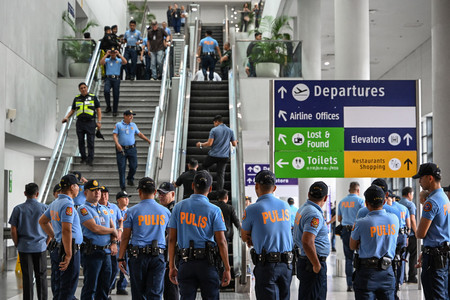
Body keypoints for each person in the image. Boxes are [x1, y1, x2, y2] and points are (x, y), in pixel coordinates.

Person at [168, 170, 231, 299]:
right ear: (211, 188)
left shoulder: (178, 208)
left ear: (192, 186)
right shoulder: (215, 210)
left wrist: (171, 266)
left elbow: (171, 239)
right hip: (208, 264)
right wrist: (227, 268)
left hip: (185, 262)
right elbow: (222, 241)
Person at [241, 170, 293, 300]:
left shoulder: (252, 209)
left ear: (256, 186)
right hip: (287, 265)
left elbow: (244, 236)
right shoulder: (285, 206)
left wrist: (256, 238)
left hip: (267, 266)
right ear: (274, 187)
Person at [118, 177, 171, 299]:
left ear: (140, 192)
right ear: (155, 192)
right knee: (155, 294)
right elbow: (172, 237)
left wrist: (120, 258)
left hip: (138, 257)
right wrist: (171, 259)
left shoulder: (131, 212)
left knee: (138, 294)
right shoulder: (165, 212)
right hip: (158, 256)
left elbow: (125, 237)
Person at [350, 185, 399, 299]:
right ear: (384, 201)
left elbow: (352, 246)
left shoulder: (361, 222)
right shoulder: (394, 219)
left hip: (367, 273)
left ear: (366, 203)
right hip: (387, 271)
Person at [39, 174, 83, 300]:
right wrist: (69, 254)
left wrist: (54, 236)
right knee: (67, 289)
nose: (78, 190)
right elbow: (66, 229)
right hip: (68, 249)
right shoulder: (68, 205)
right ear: (72, 187)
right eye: (77, 187)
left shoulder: (55, 203)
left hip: (60, 246)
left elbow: (42, 221)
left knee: (60, 287)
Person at [413, 163, 450, 299]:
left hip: (434, 260)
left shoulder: (431, 202)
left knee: (435, 295)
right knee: (443, 293)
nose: (419, 182)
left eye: (421, 178)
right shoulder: (445, 198)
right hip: (444, 254)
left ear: (429, 178)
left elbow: (420, 233)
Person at [77, 180, 118, 299]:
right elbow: (95, 228)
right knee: (91, 286)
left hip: (106, 252)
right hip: (92, 253)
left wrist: (114, 242)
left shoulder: (105, 208)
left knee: (105, 286)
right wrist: (112, 231)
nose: (97, 192)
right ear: (85, 193)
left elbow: (112, 225)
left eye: (98, 190)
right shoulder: (83, 209)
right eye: (93, 190)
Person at [9, 183, 48, 300]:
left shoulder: (18, 209)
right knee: (41, 276)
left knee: (27, 277)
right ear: (37, 194)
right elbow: (50, 227)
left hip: (24, 247)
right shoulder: (44, 208)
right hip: (40, 246)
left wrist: (17, 243)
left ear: (25, 193)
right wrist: (46, 242)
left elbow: (13, 230)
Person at [294, 181, 330, 300]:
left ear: (309, 194)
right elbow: (307, 241)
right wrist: (316, 265)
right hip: (312, 263)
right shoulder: (314, 215)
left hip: (306, 261)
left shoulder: (303, 208)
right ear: (325, 198)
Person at [62, 82, 102, 166]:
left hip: (90, 122)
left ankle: (90, 159)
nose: (83, 89)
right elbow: (73, 110)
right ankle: (83, 157)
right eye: (81, 88)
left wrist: (99, 121)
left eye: (84, 87)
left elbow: (98, 109)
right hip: (80, 122)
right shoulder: (77, 98)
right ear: (79, 90)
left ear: (87, 88)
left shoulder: (93, 97)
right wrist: (66, 117)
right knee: (80, 141)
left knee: (90, 141)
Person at [113, 109, 151, 191]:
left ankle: (130, 178)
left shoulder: (133, 125)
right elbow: (115, 135)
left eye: (132, 116)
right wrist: (117, 144)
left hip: (132, 148)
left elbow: (139, 134)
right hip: (121, 149)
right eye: (130, 116)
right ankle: (123, 187)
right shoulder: (119, 125)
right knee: (121, 168)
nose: (131, 117)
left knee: (134, 165)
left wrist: (147, 140)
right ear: (125, 116)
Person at [196, 115, 237, 191]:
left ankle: (207, 182)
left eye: (214, 123)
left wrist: (200, 144)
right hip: (224, 156)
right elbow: (234, 144)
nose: (214, 124)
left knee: (204, 166)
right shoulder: (230, 131)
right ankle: (219, 193)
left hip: (214, 155)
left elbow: (209, 143)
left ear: (217, 122)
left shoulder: (214, 130)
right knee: (220, 174)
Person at [337, 181, 365, 292]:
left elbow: (339, 219)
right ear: (358, 190)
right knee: (361, 257)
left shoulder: (342, 202)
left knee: (348, 258)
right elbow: (364, 216)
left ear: (349, 189)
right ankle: (357, 280)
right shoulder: (360, 201)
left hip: (345, 231)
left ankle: (349, 284)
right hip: (357, 231)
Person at [99, 185, 124, 296]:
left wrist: (120, 231)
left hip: (114, 242)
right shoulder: (96, 207)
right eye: (102, 193)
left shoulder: (114, 207)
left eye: (106, 194)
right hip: (102, 242)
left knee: (114, 268)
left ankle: (107, 289)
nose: (104, 196)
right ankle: (102, 291)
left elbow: (120, 220)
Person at [157, 182, 180, 300]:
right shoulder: (162, 209)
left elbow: (172, 235)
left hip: (171, 254)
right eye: (159, 193)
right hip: (164, 253)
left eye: (164, 194)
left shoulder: (174, 210)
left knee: (171, 287)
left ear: (172, 194)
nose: (160, 196)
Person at [388, 190, 410, 295]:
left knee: (391, 258)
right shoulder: (404, 208)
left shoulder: (388, 208)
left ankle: (392, 281)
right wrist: (407, 237)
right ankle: (400, 282)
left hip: (393, 235)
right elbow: (408, 225)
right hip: (403, 235)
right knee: (401, 259)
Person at [398, 186, 418, 283]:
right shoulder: (410, 204)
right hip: (411, 235)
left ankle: (402, 277)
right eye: (412, 195)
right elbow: (412, 220)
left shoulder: (397, 204)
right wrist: (417, 232)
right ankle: (412, 277)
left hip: (401, 234)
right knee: (413, 256)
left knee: (402, 257)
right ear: (409, 194)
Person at [100, 48, 127, 116]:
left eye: (114, 53)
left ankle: (115, 110)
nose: (113, 54)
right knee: (106, 91)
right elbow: (101, 62)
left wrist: (119, 54)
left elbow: (125, 62)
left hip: (116, 79)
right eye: (111, 53)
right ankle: (108, 106)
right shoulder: (107, 60)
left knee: (116, 94)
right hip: (108, 78)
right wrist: (106, 54)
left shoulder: (118, 60)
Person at [115, 191, 131, 295]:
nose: (127, 199)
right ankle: (110, 286)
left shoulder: (130, 211)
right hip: (116, 241)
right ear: (118, 200)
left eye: (127, 197)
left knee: (127, 265)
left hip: (127, 241)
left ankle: (122, 286)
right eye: (124, 197)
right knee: (115, 266)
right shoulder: (113, 211)